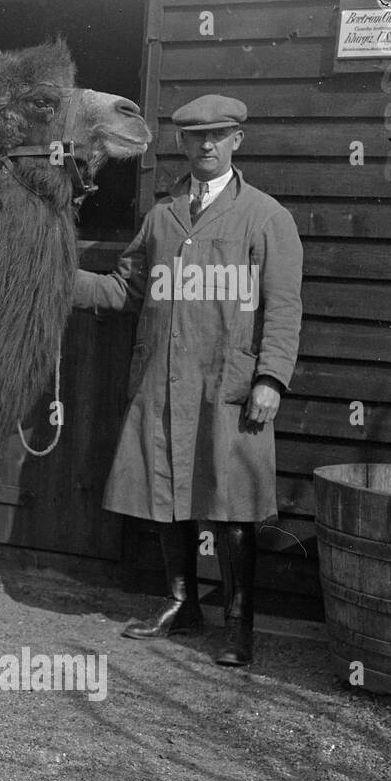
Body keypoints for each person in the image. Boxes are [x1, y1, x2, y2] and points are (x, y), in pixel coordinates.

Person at [74, 94, 303, 666]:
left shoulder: (266, 217)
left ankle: (238, 625)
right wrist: (56, 277)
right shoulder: (162, 216)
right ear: (182, 143)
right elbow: (125, 291)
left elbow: (284, 307)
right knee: (165, 492)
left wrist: (270, 378)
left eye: (218, 136)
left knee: (234, 504)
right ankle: (182, 605)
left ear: (236, 142)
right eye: (195, 137)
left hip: (228, 381)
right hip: (165, 377)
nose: (206, 145)